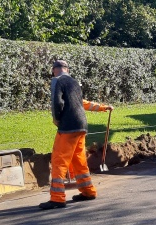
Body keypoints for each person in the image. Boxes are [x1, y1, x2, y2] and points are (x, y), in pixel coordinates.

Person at [40, 59, 114, 210]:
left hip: (68, 127)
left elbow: (56, 104)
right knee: (79, 161)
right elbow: (82, 103)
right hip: (82, 126)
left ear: (54, 70)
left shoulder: (57, 81)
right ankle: (88, 191)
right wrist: (103, 107)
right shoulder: (74, 82)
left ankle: (57, 198)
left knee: (59, 161)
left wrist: (57, 121)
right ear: (67, 69)